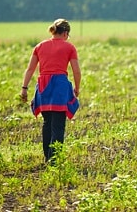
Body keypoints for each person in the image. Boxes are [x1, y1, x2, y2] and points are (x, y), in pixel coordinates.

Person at [20, 18, 81, 164]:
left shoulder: (39, 46)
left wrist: (24, 88)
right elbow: (76, 71)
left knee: (47, 122)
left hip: (43, 87)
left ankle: (48, 157)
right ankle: (54, 160)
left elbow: (30, 69)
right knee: (58, 125)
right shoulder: (69, 47)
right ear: (65, 33)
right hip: (59, 87)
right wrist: (77, 88)